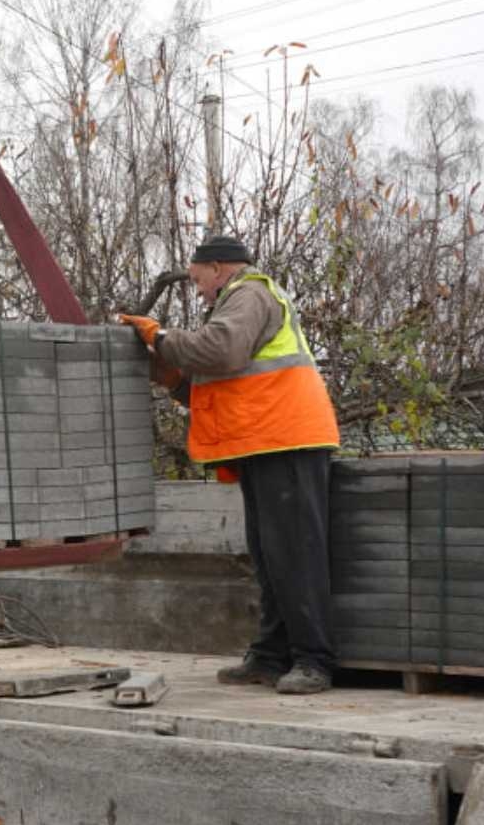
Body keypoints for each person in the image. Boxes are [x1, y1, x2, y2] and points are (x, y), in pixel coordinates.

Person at [121, 234, 342, 696]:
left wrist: (159, 337)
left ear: (219, 268)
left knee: (294, 555)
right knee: (269, 555)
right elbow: (223, 381)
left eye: (199, 280)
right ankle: (269, 655)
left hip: (288, 437)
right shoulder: (241, 301)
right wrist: (170, 376)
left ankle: (313, 661)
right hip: (267, 439)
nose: (198, 290)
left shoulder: (250, 294)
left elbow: (221, 351)